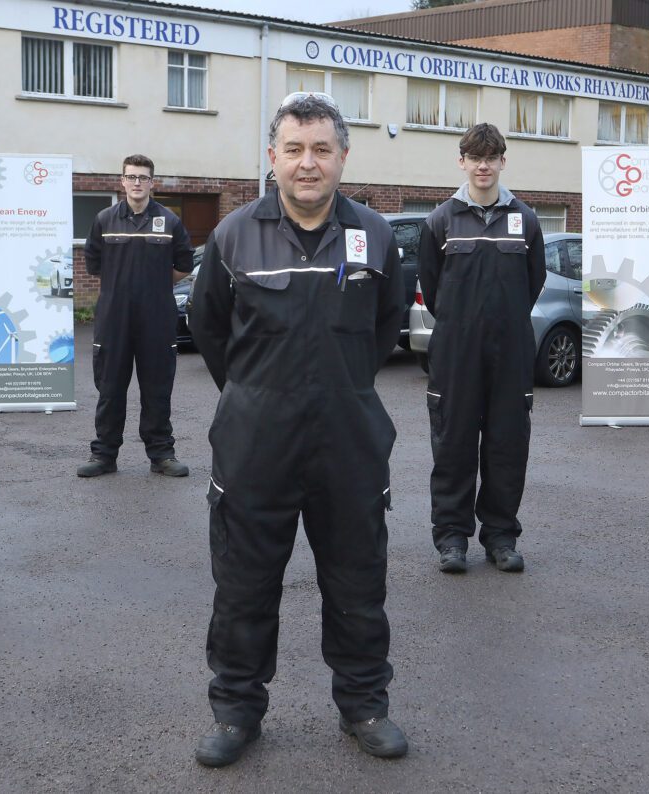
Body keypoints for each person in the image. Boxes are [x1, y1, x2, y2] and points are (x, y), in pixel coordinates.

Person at [189, 92, 407, 767]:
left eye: (321, 149)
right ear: (272, 158)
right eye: (294, 149)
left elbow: (385, 327)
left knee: (357, 585)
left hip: (350, 441)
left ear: (343, 156)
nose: (307, 163)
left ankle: (365, 704)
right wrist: (257, 396)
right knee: (244, 586)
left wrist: (340, 389)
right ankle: (236, 711)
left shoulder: (375, 236)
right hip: (255, 443)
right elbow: (209, 328)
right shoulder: (233, 236)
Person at [418, 123, 546, 575]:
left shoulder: (526, 220)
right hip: (456, 354)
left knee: (506, 446)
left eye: (491, 157)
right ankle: (452, 538)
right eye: (475, 158)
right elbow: (432, 287)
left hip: (510, 353)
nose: (483, 166)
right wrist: (466, 325)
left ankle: (501, 537)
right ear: (462, 162)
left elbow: (533, 282)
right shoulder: (440, 221)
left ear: (503, 162)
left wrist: (501, 322)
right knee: (452, 447)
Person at [76, 155, 194, 479]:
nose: (137, 182)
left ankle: (162, 454)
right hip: (114, 318)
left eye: (143, 177)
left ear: (152, 182)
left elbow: (184, 264)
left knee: (157, 389)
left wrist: (155, 282)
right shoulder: (104, 219)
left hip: (157, 318)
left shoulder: (169, 221)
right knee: (110, 389)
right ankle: (104, 456)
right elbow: (94, 264)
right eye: (131, 177)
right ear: (122, 181)